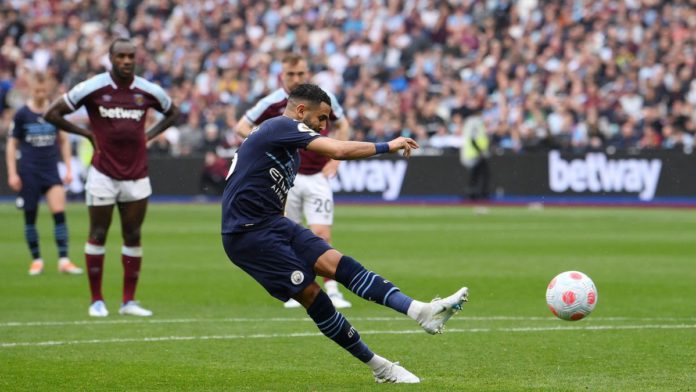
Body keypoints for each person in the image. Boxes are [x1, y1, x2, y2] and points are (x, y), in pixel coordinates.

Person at [222, 84, 468, 383]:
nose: (324, 126)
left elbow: (277, 196)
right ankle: (381, 367)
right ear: (301, 111)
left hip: (273, 223)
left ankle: (420, 311)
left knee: (338, 263)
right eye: (321, 118)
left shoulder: (289, 151)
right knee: (313, 294)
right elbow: (338, 149)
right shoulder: (279, 126)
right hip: (246, 234)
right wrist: (387, 146)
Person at [44, 38, 180, 317]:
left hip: (137, 174)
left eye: (131, 56)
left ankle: (128, 301)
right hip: (103, 174)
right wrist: (86, 134)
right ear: (111, 58)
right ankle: (97, 300)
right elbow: (52, 113)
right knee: (98, 233)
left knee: (133, 234)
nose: (127, 61)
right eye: (121, 56)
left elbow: (173, 112)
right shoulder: (93, 87)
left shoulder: (148, 90)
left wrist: (149, 136)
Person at [236, 54, 352, 309]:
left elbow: (343, 125)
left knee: (321, 233)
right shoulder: (272, 102)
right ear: (282, 75)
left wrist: (336, 160)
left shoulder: (322, 100)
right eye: (291, 74)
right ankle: (299, 286)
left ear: (307, 73)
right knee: (287, 233)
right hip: (286, 178)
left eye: (300, 74)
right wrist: (264, 140)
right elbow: (241, 126)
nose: (296, 79)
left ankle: (331, 289)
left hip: (318, 176)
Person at [5, 72, 83, 276]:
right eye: (37, 90)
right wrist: (13, 173)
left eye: (43, 90)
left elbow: (64, 140)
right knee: (30, 217)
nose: (40, 94)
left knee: (59, 214)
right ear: (31, 89)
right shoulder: (22, 114)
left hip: (50, 170)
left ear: (48, 89)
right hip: (29, 171)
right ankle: (37, 260)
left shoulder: (54, 112)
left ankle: (64, 260)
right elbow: (12, 145)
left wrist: (67, 168)